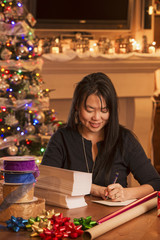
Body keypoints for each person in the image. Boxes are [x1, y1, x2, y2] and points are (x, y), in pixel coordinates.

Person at [41, 72, 160, 201]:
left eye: (104, 111)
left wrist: (126, 193)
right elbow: (46, 180)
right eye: (90, 110)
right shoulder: (61, 138)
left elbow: (155, 183)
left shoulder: (124, 139)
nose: (96, 118)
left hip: (114, 218)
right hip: (71, 218)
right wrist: (94, 189)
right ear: (77, 107)